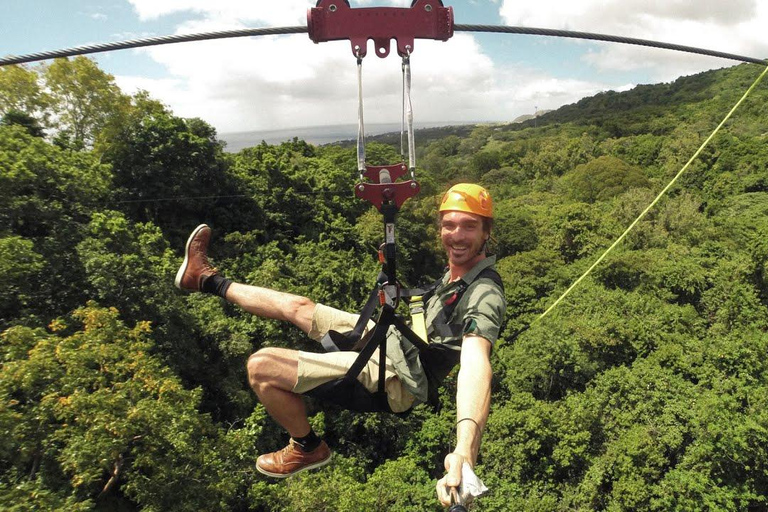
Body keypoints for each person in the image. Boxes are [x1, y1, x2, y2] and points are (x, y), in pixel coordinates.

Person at [175, 183, 506, 507]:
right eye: (449, 225)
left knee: (262, 367)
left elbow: (476, 364)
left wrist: (465, 450)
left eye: (469, 226)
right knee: (300, 308)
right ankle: (204, 279)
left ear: (486, 232)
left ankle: (306, 446)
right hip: (397, 342)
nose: (457, 235)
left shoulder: (484, 293)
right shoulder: (457, 272)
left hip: (398, 379)